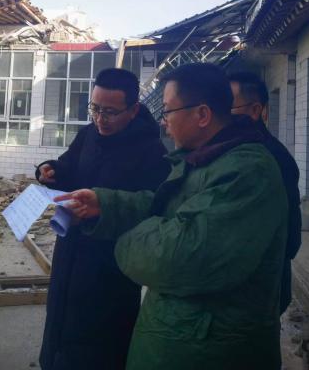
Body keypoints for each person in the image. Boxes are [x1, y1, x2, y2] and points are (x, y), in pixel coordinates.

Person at [56, 63, 288, 370]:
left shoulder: (246, 172)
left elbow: (178, 256)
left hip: (209, 348)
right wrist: (107, 205)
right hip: (184, 334)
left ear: (202, 115)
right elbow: (165, 206)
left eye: (167, 111)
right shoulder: (205, 158)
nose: (163, 122)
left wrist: (124, 241)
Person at [36, 67, 170, 370]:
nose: (100, 119)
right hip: (70, 248)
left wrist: (105, 208)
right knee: (60, 322)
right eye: (95, 108)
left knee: (100, 340)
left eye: (110, 112)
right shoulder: (88, 135)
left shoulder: (151, 151)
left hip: (112, 264)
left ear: (133, 110)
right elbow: (70, 167)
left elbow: (156, 207)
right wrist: (51, 171)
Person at [227, 71, 301, 315]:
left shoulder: (273, 159)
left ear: (255, 110)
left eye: (227, 106)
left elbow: (290, 237)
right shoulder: (233, 152)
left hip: (259, 288)